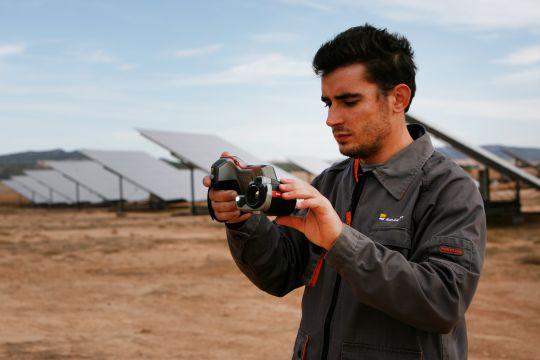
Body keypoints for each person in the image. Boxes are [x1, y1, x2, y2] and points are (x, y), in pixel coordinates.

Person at [203, 24, 486, 360]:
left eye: (349, 101)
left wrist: (341, 242)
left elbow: (442, 302)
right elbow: (279, 273)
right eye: (328, 103)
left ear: (398, 98)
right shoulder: (330, 182)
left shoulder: (449, 189)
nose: (332, 119)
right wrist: (241, 221)